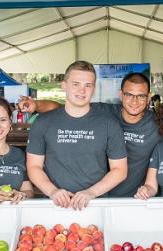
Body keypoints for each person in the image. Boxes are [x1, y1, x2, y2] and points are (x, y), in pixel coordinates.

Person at [19, 73, 163, 198]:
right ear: (121, 94)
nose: (134, 101)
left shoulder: (157, 120)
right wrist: (35, 104)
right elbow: (62, 107)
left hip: (137, 197)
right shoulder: (103, 113)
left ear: (148, 97)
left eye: (140, 96)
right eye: (129, 95)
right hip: (99, 195)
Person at [26, 61, 128, 210]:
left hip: (95, 204)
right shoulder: (43, 122)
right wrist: (53, 191)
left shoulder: (109, 123)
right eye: (76, 84)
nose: (82, 90)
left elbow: (120, 170)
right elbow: (34, 166)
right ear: (64, 85)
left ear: (94, 89)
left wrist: (91, 192)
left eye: (88, 85)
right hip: (53, 204)